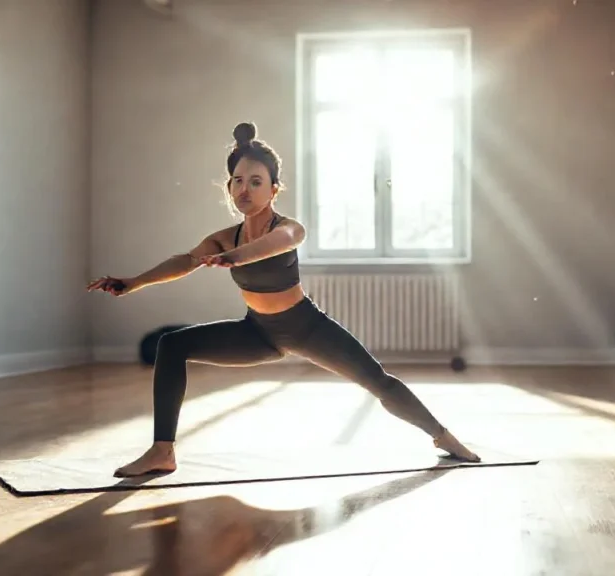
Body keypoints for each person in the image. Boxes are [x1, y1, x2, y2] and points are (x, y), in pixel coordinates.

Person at [87, 122, 481, 477]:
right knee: (171, 344)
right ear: (229, 188)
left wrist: (232, 258)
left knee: (378, 382)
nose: (245, 189)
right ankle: (162, 451)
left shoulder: (289, 228)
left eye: (256, 181)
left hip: (306, 327)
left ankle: (441, 436)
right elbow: (186, 261)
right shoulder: (224, 236)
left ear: (274, 189)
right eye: (237, 181)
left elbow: (272, 246)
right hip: (257, 333)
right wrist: (133, 282)